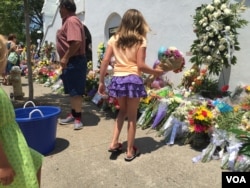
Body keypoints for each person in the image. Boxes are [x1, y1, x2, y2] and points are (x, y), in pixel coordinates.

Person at [98, 9, 164, 162]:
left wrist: (101, 81)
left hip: (118, 80)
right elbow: (140, 65)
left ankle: (114, 143)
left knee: (122, 112)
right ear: (139, 22)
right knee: (132, 117)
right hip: (133, 80)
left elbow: (105, 60)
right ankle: (129, 151)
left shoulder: (114, 38)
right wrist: (156, 71)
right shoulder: (141, 40)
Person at [0, 34, 43, 187]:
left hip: (12, 142)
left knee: (36, 160)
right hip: (6, 150)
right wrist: (3, 164)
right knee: (22, 180)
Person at [56, 0, 87, 130]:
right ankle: (73, 114)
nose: (58, 11)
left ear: (64, 7)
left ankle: (78, 118)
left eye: (59, 7)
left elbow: (76, 42)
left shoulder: (71, 21)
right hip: (71, 61)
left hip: (74, 60)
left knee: (76, 91)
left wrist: (65, 58)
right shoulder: (68, 21)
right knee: (72, 91)